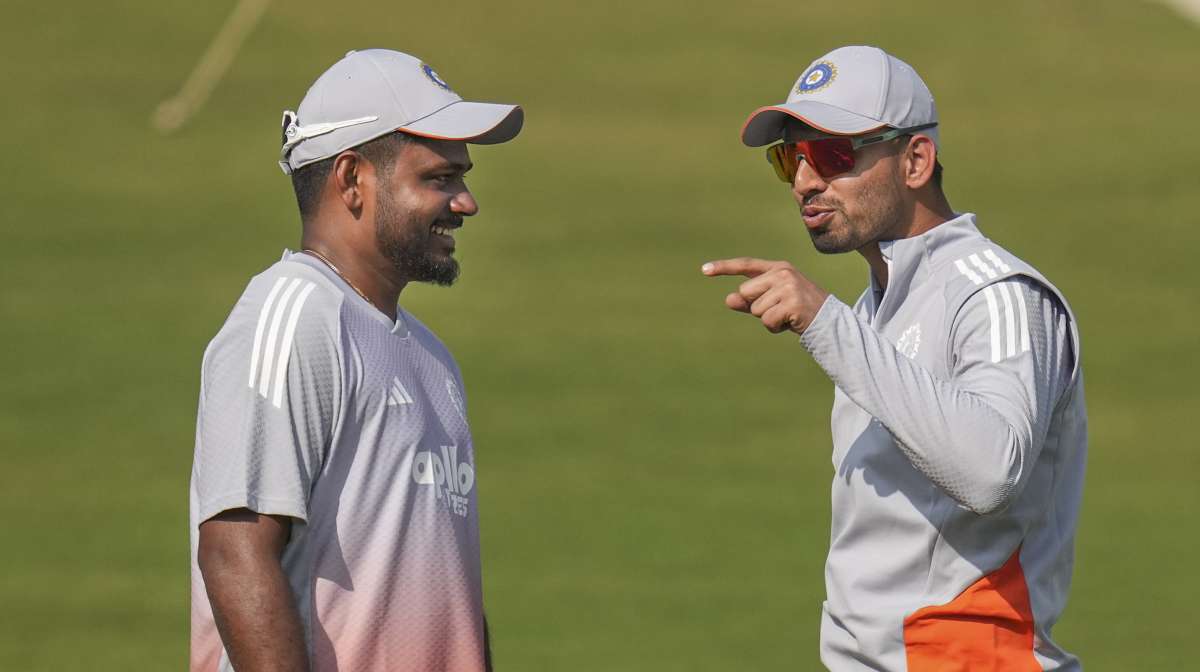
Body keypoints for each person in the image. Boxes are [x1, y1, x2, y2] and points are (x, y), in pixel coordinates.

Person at [703, 45, 1087, 670]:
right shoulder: (869, 312)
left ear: (915, 160)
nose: (804, 181)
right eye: (788, 159)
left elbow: (991, 471)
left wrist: (825, 324)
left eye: (831, 155)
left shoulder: (998, 295)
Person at [189, 49, 523, 672]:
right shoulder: (290, 318)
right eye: (439, 178)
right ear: (351, 180)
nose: (467, 202)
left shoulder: (431, 357)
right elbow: (236, 551)